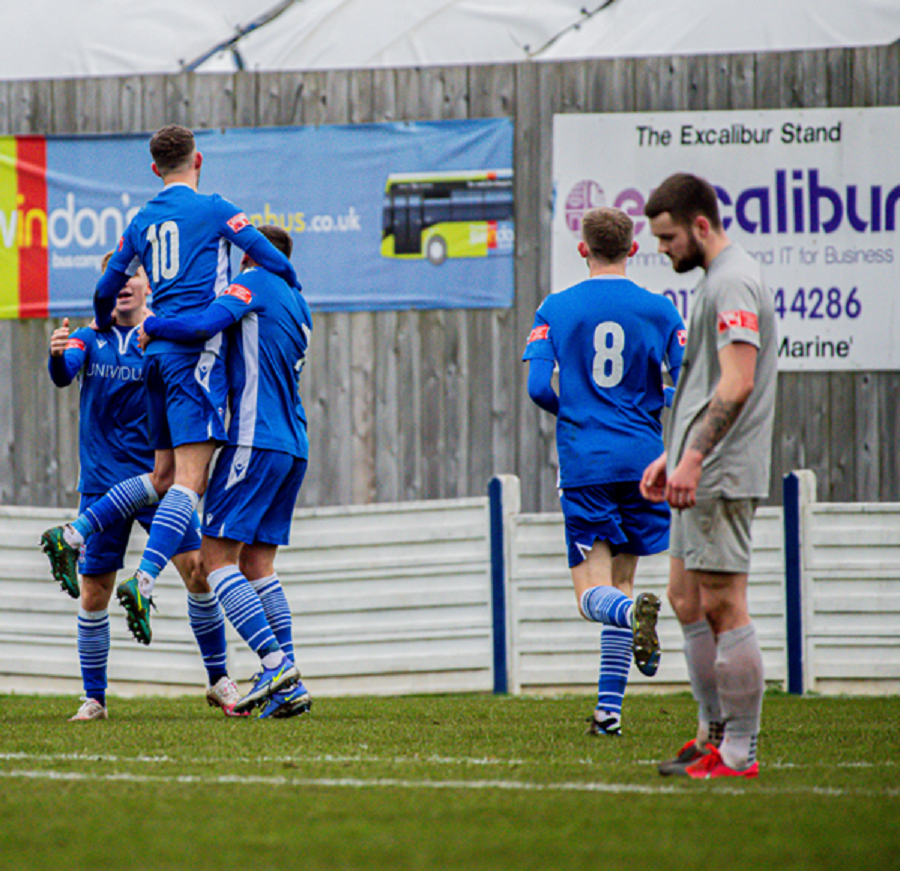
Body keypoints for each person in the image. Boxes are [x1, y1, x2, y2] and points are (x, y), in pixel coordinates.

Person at [41, 124, 301, 705]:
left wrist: (104, 317)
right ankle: (146, 578)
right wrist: (291, 284)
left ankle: (78, 531)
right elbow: (263, 255)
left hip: (154, 360)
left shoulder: (139, 222)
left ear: (154, 168)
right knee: (191, 482)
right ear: (198, 161)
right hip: (190, 357)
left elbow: (105, 285)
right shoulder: (214, 209)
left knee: (162, 480)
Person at [42, 254, 244, 720]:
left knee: (198, 571)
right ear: (106, 287)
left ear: (148, 283)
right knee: (95, 592)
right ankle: (95, 698)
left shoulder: (161, 336)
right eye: (117, 278)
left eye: (133, 275)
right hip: (103, 482)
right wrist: (56, 357)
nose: (125, 285)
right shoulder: (89, 338)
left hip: (161, 482)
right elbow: (63, 374)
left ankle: (219, 680)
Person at [522, 206, 686, 736]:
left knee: (592, 595)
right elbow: (685, 388)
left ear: (582, 248)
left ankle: (631, 616)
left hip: (587, 461)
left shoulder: (557, 307)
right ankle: (608, 714)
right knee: (623, 581)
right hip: (645, 461)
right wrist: (646, 404)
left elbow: (538, 387)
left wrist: (582, 410)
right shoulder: (661, 310)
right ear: (634, 249)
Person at [140, 224, 313, 718]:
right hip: (292, 444)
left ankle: (276, 664)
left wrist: (154, 326)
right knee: (259, 566)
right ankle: (289, 683)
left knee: (214, 562)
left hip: (254, 440)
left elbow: (205, 324)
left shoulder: (255, 283)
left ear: (251, 259)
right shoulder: (299, 301)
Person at [640, 172, 777, 779]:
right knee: (685, 597)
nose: (663, 250)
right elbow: (706, 385)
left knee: (723, 606)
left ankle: (740, 752)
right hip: (698, 466)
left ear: (700, 225)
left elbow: (738, 381)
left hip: (720, 472)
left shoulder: (735, 282)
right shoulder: (716, 281)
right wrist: (675, 451)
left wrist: (695, 456)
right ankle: (711, 733)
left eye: (668, 238)